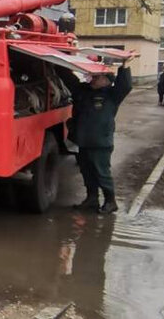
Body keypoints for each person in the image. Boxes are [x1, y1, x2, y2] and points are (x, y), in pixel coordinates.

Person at [70, 56, 134, 214]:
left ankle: (110, 201)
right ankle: (92, 199)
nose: (93, 79)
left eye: (97, 77)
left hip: (100, 142)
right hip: (83, 140)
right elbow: (71, 83)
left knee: (102, 173)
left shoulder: (112, 95)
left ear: (107, 81)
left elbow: (125, 85)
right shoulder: (85, 92)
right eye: (93, 77)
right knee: (87, 171)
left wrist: (124, 66)